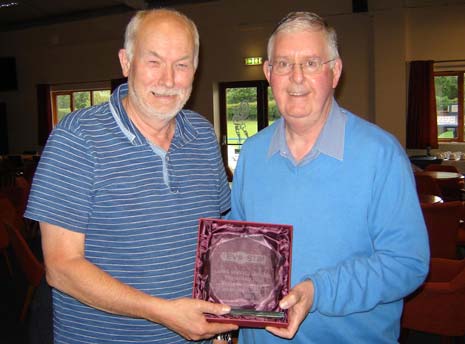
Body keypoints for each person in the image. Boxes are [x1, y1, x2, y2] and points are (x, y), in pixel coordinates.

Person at [24, 8, 238, 344]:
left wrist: (222, 321)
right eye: (154, 61)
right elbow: (62, 268)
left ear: (195, 70)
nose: (168, 80)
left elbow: (215, 240)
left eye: (181, 64)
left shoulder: (203, 136)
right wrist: (162, 312)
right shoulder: (77, 138)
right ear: (126, 62)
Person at [229, 11, 430, 343]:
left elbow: (407, 263)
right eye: (283, 64)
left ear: (335, 71)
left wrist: (318, 291)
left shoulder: (380, 154)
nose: (296, 78)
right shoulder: (251, 154)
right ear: (268, 73)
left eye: (310, 63)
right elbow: (239, 251)